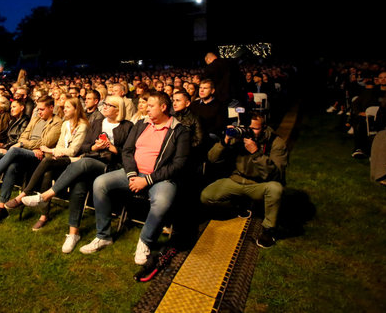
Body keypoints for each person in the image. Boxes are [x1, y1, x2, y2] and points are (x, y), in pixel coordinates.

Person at [78, 92, 191, 265]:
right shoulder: (141, 124)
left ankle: (145, 242)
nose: (146, 108)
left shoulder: (179, 131)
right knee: (100, 183)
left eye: (151, 105)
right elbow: (127, 151)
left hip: (160, 178)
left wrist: (147, 180)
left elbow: (178, 165)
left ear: (163, 107)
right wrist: (132, 175)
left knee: (161, 201)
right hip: (133, 173)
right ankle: (103, 236)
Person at [20, 95, 133, 252]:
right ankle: (73, 233)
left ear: (118, 109)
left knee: (83, 162)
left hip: (111, 166)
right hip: (92, 160)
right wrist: (95, 147)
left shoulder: (128, 126)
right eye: (105, 104)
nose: (104, 106)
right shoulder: (98, 123)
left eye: (109, 105)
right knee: (78, 184)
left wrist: (111, 147)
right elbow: (85, 147)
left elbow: (128, 153)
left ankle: (45, 196)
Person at [0, 95, 62, 228]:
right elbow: (23, 136)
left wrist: (24, 144)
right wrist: (26, 144)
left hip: (41, 157)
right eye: (38, 109)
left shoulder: (57, 122)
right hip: (29, 152)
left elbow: (45, 142)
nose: (39, 112)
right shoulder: (35, 118)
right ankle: (2, 209)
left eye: (42, 109)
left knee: (13, 151)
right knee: (12, 166)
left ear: (51, 108)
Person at [200, 113, 288, 249]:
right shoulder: (240, 137)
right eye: (248, 128)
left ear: (264, 128)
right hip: (237, 180)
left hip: (260, 184)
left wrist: (256, 153)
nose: (250, 132)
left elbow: (276, 175)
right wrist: (225, 141)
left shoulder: (276, 143)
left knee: (276, 189)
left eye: (255, 129)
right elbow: (212, 158)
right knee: (206, 196)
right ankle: (239, 204)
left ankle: (269, 230)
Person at [3, 96, 89, 230]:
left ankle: (23, 195)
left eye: (67, 107)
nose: (63, 109)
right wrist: (57, 151)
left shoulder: (82, 126)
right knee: (47, 172)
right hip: (60, 158)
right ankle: (44, 215)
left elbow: (73, 151)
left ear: (76, 109)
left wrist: (53, 150)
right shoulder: (66, 124)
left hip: (74, 161)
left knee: (47, 160)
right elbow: (61, 143)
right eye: (64, 107)